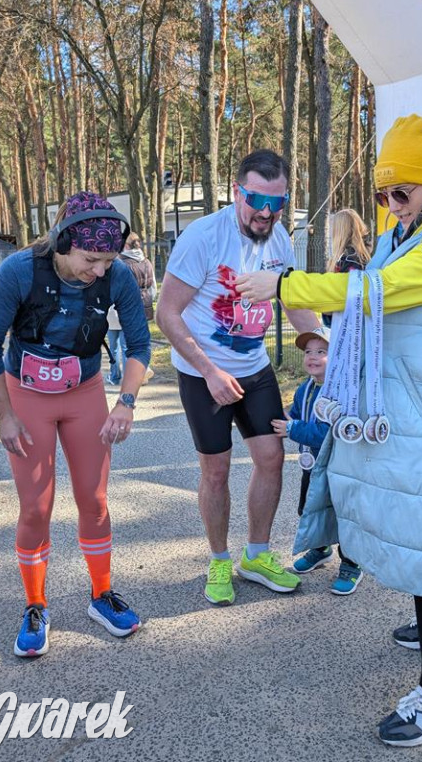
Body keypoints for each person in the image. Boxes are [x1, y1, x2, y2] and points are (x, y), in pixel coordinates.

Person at [235, 115, 422, 746]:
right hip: (411, 412)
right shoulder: (408, 228)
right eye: (383, 194)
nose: (390, 206)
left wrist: (284, 284)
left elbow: (380, 292)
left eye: (401, 193)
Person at [0, 191, 151, 657]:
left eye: (108, 260)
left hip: (85, 393)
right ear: (62, 243)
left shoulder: (115, 275)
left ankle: (101, 595)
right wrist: (5, 416)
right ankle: (35, 605)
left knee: (94, 499)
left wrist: (126, 402)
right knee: (36, 507)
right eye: (91, 259)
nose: (100, 270)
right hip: (26, 396)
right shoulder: (18, 271)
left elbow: (140, 346)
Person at [156, 149, 320, 606]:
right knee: (217, 469)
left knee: (271, 457)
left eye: (277, 203)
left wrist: (326, 343)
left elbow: (293, 303)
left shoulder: (281, 240)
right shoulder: (204, 237)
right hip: (202, 372)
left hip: (255, 368)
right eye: (256, 200)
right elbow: (166, 314)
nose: (265, 213)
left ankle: (257, 555)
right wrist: (208, 371)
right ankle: (219, 560)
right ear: (236, 192)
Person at [273, 326, 364, 595]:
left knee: (342, 513)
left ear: (337, 356)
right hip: (312, 465)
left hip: (339, 467)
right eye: (308, 352)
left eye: (321, 352)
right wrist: (285, 418)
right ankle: (320, 548)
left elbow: (328, 434)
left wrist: (292, 429)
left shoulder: (343, 391)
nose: (312, 357)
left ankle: (351, 563)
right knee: (310, 507)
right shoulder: (306, 387)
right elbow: (297, 415)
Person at [106, 232, 156, 386]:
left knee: (114, 346)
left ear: (125, 245)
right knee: (131, 345)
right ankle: (134, 378)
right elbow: (153, 287)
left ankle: (116, 376)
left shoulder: (118, 263)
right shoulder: (146, 262)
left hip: (115, 310)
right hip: (139, 308)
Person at [323, 207, 371, 326]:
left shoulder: (348, 260)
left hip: (348, 330)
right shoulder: (364, 258)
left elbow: (344, 298)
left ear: (338, 231)